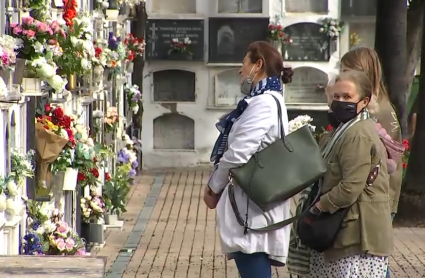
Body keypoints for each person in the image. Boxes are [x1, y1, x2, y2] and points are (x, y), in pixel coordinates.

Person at [203, 41, 294, 278]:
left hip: (252, 206)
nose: (240, 69)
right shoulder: (265, 99)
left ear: (258, 65)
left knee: (253, 262)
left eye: (244, 62)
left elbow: (238, 153)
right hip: (252, 204)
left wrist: (214, 187)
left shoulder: (264, 102)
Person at [308, 70, 393, 277]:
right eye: (336, 97)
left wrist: (319, 207)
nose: (340, 102)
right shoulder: (344, 130)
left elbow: (350, 187)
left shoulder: (357, 134)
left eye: (347, 97)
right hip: (348, 232)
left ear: (364, 102)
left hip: (357, 236)